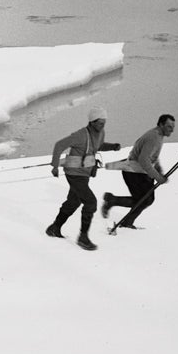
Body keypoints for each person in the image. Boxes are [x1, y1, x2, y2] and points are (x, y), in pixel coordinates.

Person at [46, 105, 122, 251]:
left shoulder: (100, 132)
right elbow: (59, 145)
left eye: (104, 122)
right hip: (74, 174)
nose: (102, 125)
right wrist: (55, 166)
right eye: (100, 123)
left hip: (84, 174)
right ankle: (83, 237)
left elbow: (97, 146)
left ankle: (54, 228)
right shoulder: (80, 135)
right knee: (91, 202)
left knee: (73, 202)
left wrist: (112, 146)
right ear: (92, 122)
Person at [102, 113, 176, 229]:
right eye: (169, 127)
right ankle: (121, 213)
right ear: (161, 125)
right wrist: (157, 176)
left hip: (139, 172)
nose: (171, 130)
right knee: (145, 200)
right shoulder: (153, 137)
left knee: (145, 199)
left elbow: (153, 157)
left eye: (173, 127)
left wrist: (159, 171)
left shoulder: (158, 136)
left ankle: (113, 202)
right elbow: (143, 160)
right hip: (133, 171)